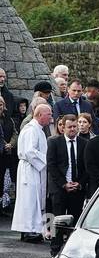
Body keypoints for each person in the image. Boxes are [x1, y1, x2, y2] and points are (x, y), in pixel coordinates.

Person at [12, 102, 52, 243]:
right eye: (49, 114)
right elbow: (30, 151)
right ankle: (28, 231)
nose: (51, 118)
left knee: (34, 200)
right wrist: (47, 161)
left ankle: (33, 229)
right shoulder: (31, 129)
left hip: (35, 168)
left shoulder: (38, 129)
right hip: (30, 169)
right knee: (29, 200)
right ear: (40, 115)